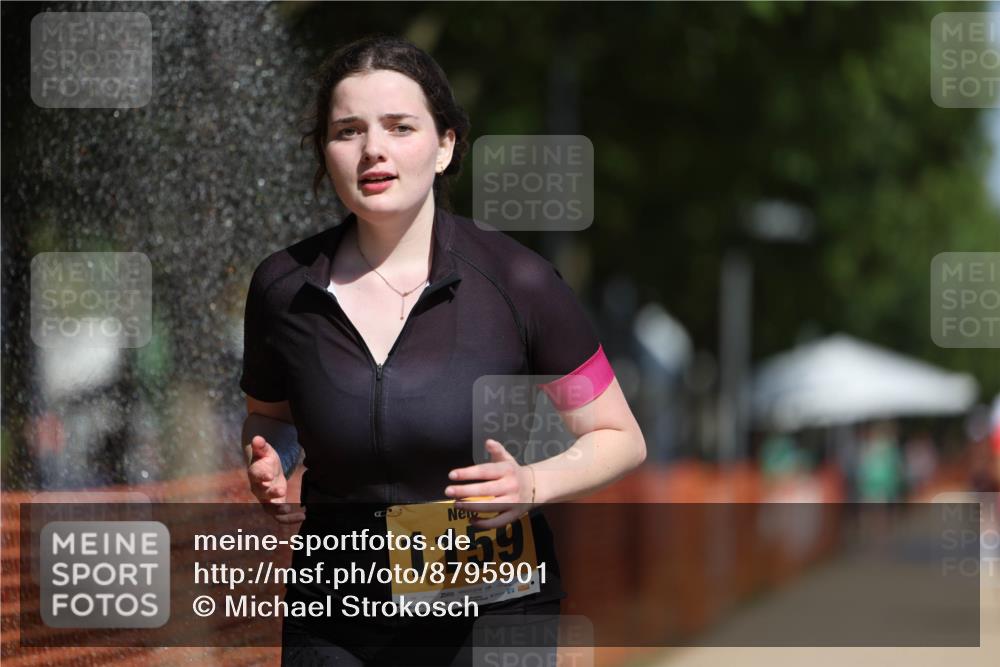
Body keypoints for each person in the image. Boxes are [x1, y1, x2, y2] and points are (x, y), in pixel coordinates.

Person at [238, 35, 646, 666]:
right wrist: (271, 460)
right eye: (347, 131)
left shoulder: (520, 281)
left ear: (445, 144)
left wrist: (531, 482)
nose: (373, 149)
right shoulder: (282, 287)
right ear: (325, 152)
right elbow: (270, 417)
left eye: (400, 127)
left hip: (494, 607)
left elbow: (620, 435)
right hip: (338, 611)